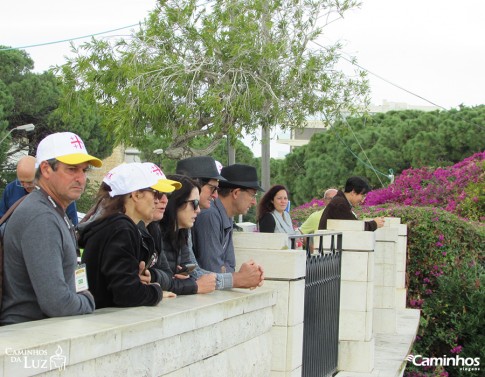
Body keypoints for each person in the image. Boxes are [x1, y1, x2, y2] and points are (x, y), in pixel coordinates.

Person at [0, 132, 102, 325]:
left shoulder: (51, 209)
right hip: (29, 339)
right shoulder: (41, 217)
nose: (81, 178)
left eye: (84, 170)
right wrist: (88, 300)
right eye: (72, 169)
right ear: (46, 169)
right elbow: (57, 303)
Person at [78, 162, 181, 309]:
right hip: (104, 321)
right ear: (136, 194)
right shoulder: (121, 229)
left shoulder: (117, 226)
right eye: (155, 193)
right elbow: (127, 293)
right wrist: (156, 290)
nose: (159, 200)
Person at [174, 157, 267, 290]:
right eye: (213, 189)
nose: (215, 196)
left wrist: (243, 277)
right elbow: (205, 272)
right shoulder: (209, 214)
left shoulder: (222, 217)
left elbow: (226, 267)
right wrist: (238, 279)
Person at [149, 174, 216, 294]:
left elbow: (187, 272)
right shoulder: (153, 230)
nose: (198, 210)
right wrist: (193, 285)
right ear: (176, 202)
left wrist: (184, 278)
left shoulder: (182, 232)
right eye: (194, 203)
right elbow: (153, 280)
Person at [0, 155, 79, 224]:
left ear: (40, 175)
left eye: (30, 182)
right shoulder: (11, 189)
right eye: (21, 182)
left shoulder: (59, 192)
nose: (26, 186)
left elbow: (73, 224)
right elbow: (2, 217)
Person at [318, 176, 385, 231]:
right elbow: (354, 226)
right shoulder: (340, 204)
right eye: (362, 195)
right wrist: (374, 224)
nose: (362, 200)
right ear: (353, 192)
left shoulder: (341, 201)